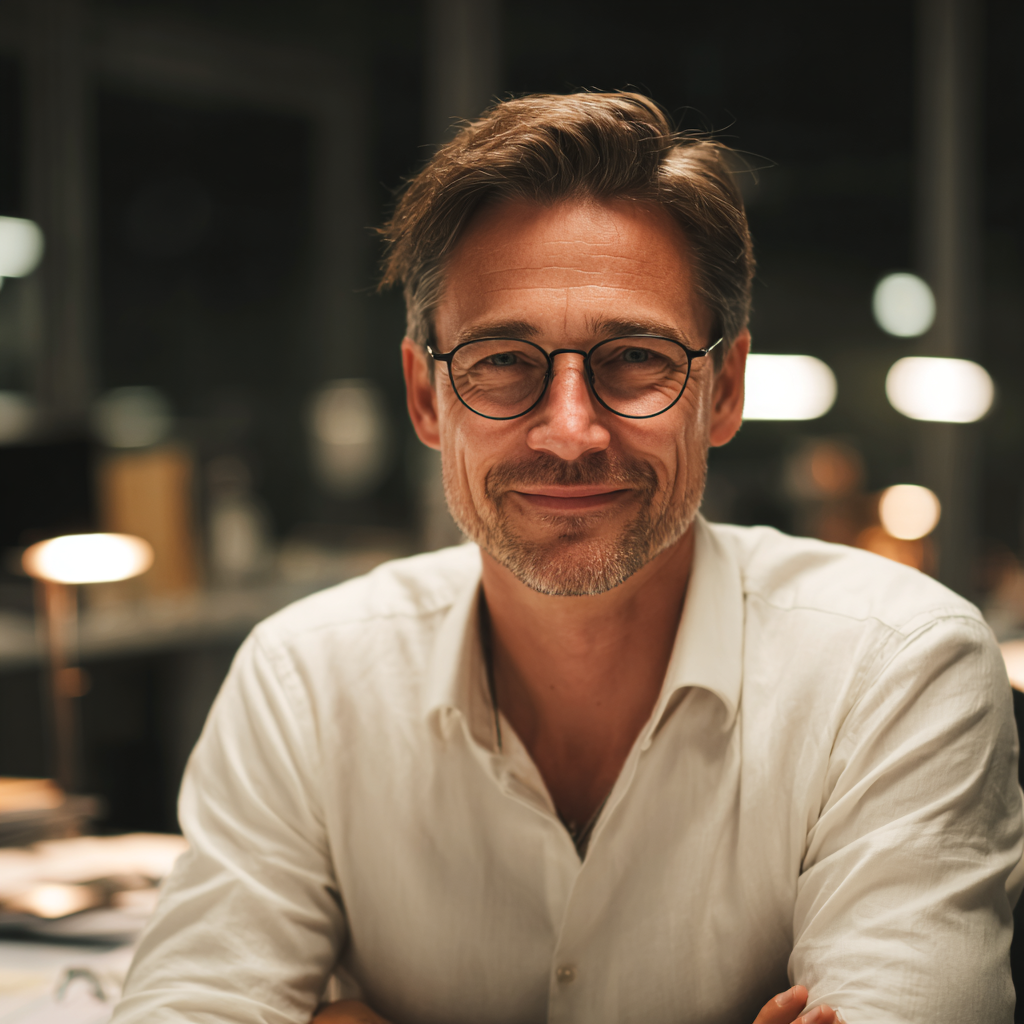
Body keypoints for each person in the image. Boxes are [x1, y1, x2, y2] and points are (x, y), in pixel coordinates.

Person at [111, 93, 1023, 1024]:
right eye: (504, 360)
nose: (572, 431)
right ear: (427, 399)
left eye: (634, 356)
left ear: (724, 390)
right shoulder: (303, 677)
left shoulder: (897, 668)